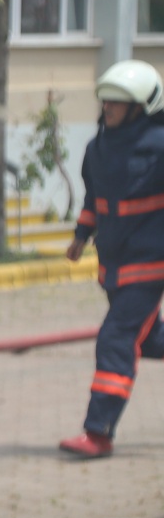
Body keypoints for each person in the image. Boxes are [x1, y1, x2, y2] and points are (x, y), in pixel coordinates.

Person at [61, 59, 164, 459]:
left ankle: (98, 432)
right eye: (106, 101)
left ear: (142, 106)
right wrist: (81, 235)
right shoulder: (98, 148)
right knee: (148, 340)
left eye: (118, 102)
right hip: (114, 265)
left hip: (150, 263)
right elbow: (95, 199)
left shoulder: (160, 146)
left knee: (116, 338)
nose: (109, 108)